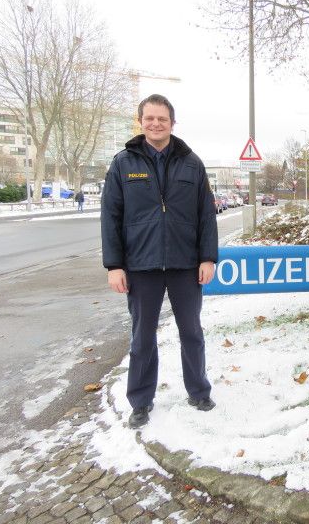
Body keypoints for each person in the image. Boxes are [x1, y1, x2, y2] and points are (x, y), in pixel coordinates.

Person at [101, 94, 218, 429]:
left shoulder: (191, 162)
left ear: (172, 123)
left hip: (185, 264)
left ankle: (198, 391)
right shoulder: (123, 163)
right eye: (149, 118)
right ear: (141, 121)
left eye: (162, 119)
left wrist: (207, 258)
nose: (155, 124)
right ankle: (140, 401)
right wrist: (115, 265)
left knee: (192, 332)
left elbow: (205, 216)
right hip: (141, 265)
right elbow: (110, 217)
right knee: (142, 338)